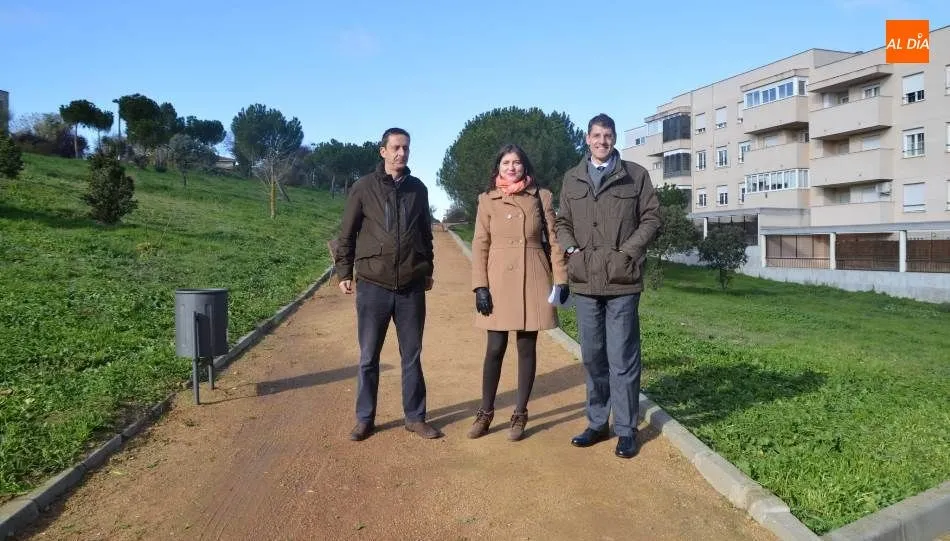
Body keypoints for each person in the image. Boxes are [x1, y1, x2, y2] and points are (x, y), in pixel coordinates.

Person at [555, 114, 661, 459]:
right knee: (593, 357)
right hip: (585, 281)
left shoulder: (635, 175)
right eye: (596, 135)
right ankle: (597, 422)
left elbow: (651, 218)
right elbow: (561, 221)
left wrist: (628, 252)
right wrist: (572, 249)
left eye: (608, 135)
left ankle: (626, 430)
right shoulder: (572, 178)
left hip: (622, 281)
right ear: (587, 139)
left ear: (614, 138)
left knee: (623, 358)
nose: (602, 141)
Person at [334, 127, 441, 442]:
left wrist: (428, 268)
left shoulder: (417, 189)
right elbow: (347, 233)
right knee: (369, 356)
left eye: (406, 148)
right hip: (373, 285)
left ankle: (415, 417)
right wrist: (344, 273)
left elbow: (425, 234)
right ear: (382, 151)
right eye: (395, 147)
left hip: (410, 286)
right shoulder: (363, 188)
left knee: (412, 355)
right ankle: (364, 419)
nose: (401, 153)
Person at [468, 144, 568, 441]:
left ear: (525, 167)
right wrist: (480, 286)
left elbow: (554, 240)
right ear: (497, 168)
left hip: (534, 275)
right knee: (495, 348)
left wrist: (560, 279)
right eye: (506, 163)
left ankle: (520, 413)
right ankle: (485, 412)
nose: (511, 167)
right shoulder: (487, 200)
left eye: (517, 163)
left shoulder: (542, 197)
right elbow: (479, 243)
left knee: (527, 348)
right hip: (497, 279)